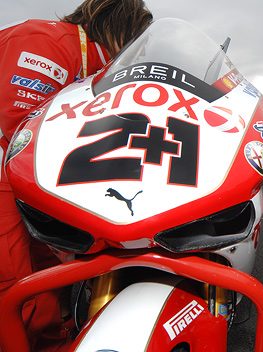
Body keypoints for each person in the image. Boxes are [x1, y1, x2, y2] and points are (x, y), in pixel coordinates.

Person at [0, 1, 153, 350]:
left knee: (45, 271)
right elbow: (19, 131)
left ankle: (51, 338)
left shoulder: (98, 66)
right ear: (121, 28)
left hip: (21, 174)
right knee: (13, 279)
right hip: (8, 168)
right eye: (138, 41)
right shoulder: (47, 43)